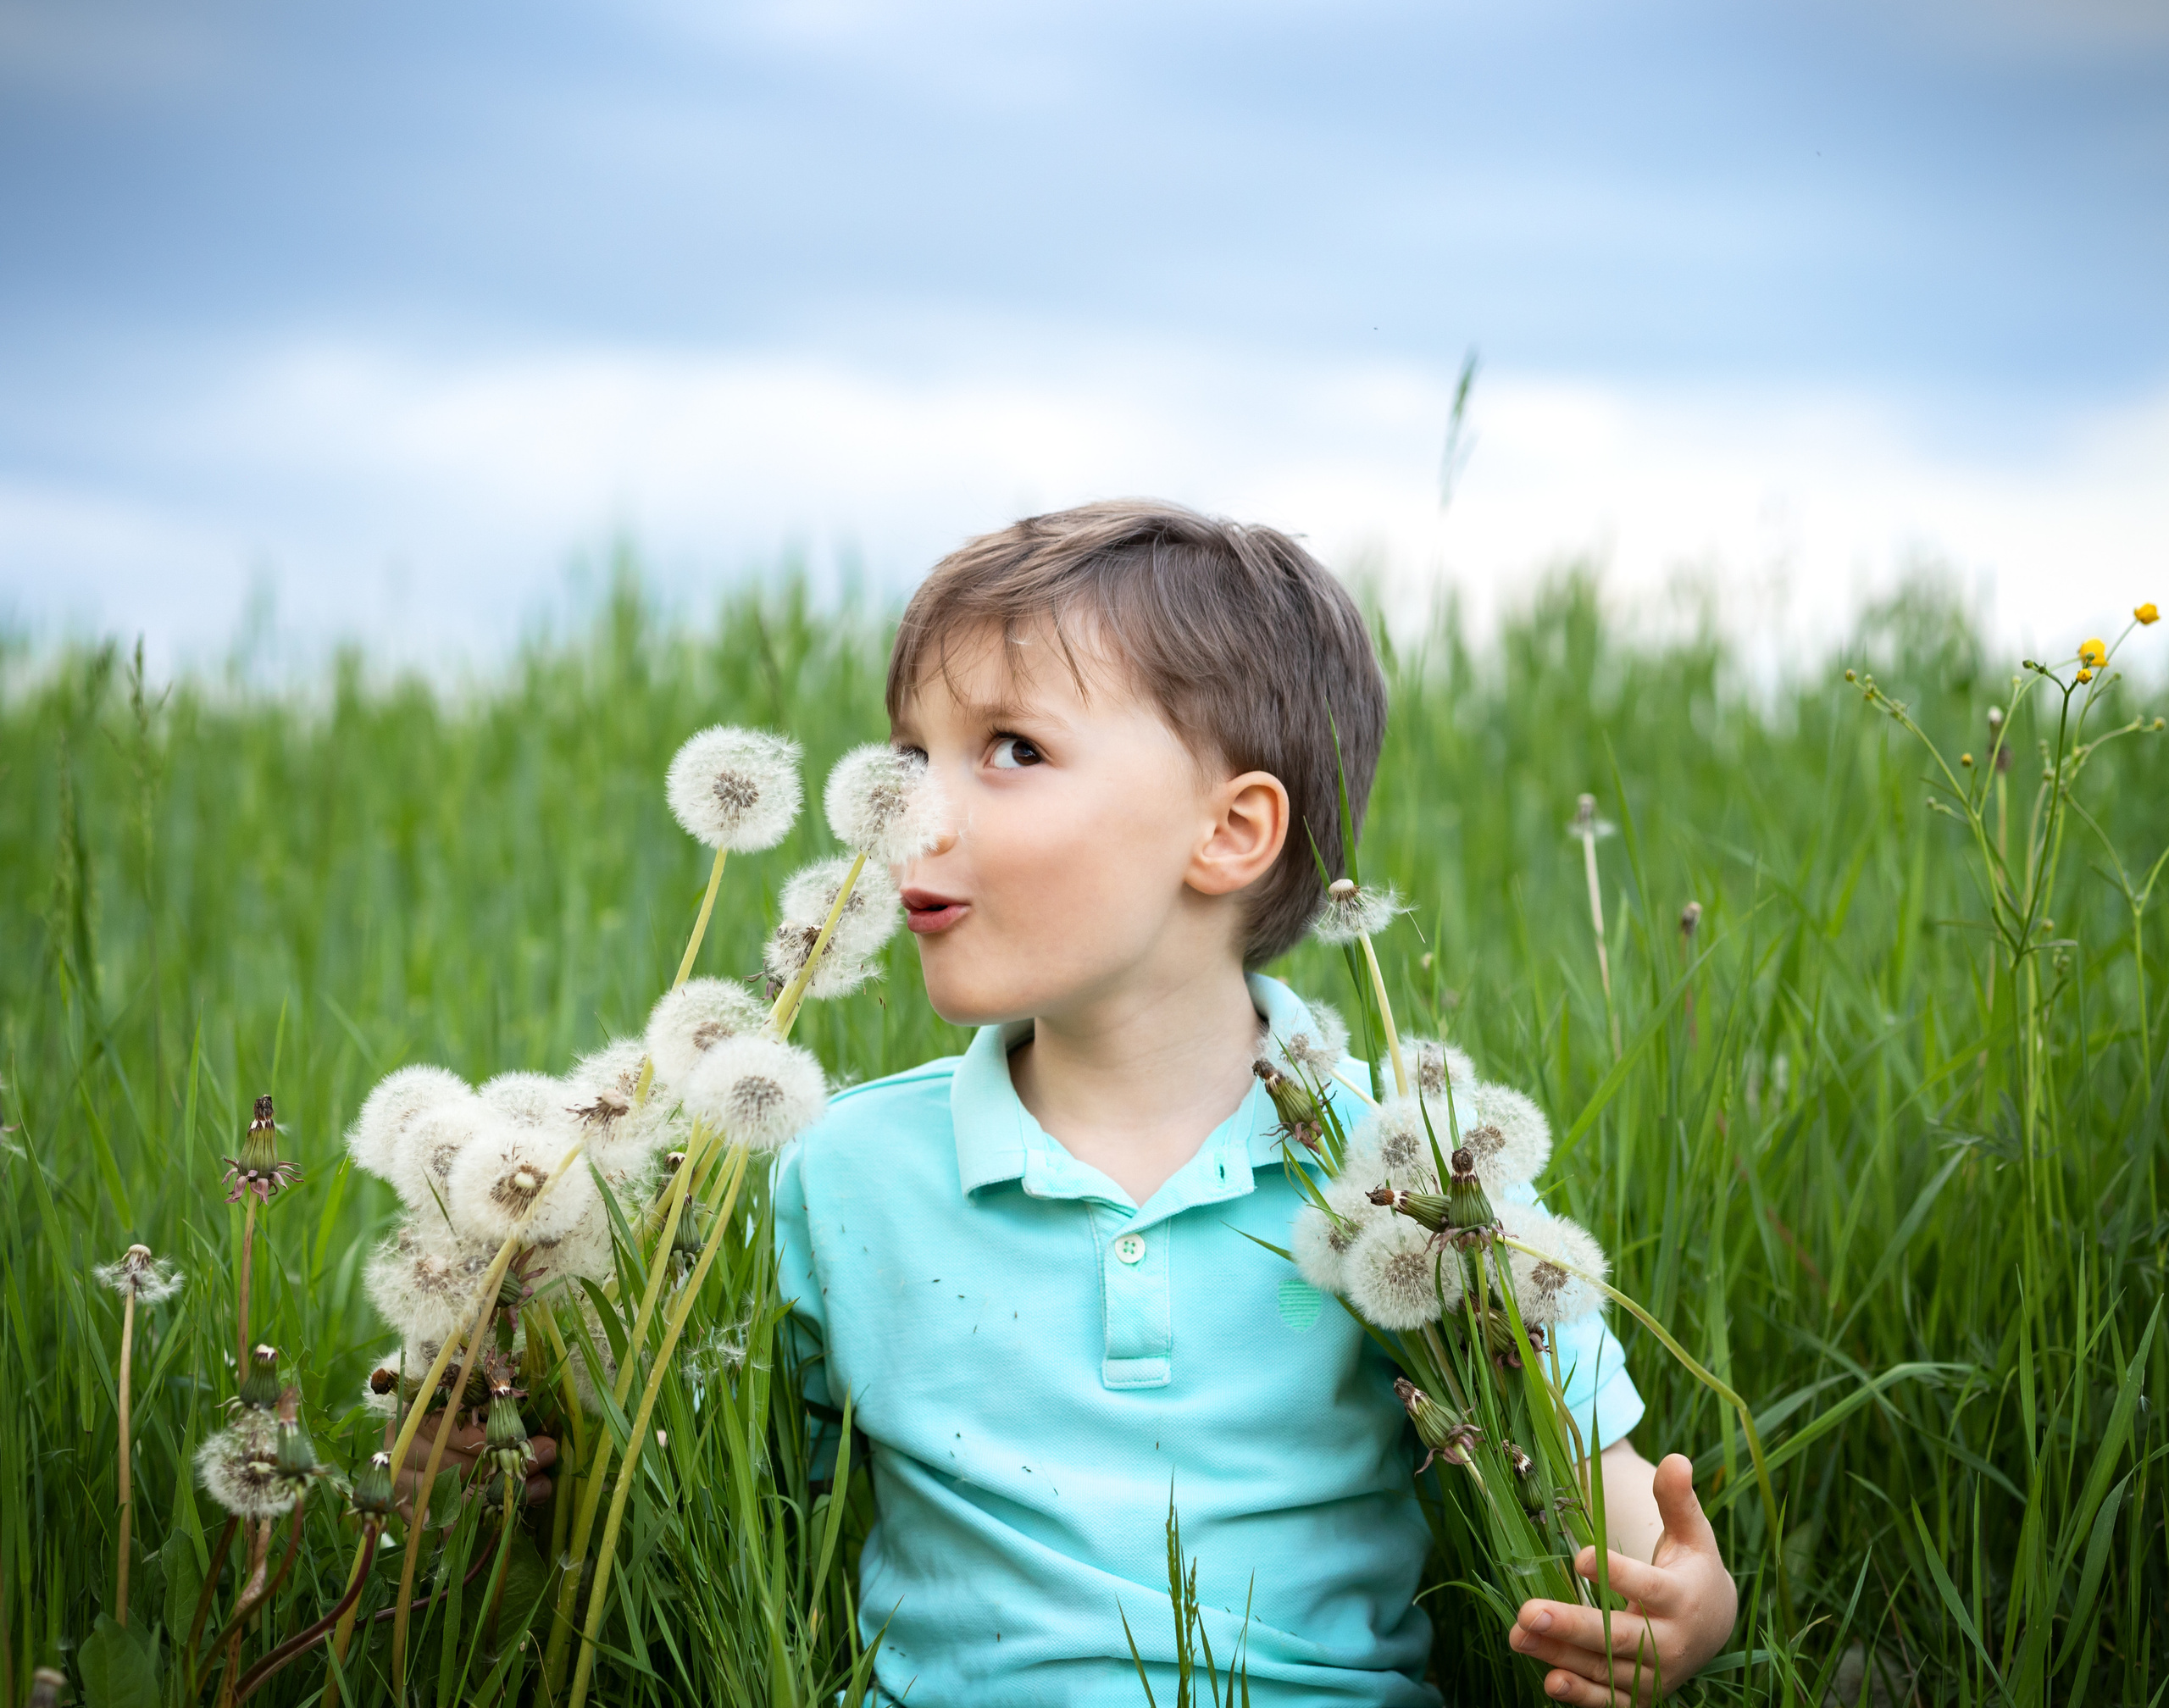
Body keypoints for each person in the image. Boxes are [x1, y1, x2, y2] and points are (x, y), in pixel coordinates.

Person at [775, 501, 1737, 1706]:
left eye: (1012, 749)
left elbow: (1626, 1519)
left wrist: (1689, 1611)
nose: (914, 810)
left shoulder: (1412, 1177)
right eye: (910, 757)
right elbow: (709, 1507)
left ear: (1232, 831)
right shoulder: (847, 1169)